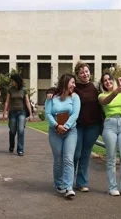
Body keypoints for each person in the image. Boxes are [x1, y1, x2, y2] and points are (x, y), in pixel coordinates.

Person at [47, 62, 103, 192]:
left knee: (85, 154)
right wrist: (50, 91)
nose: (85, 74)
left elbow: (106, 93)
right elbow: (59, 89)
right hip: (77, 127)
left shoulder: (96, 86)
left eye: (87, 71)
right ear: (78, 75)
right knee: (75, 154)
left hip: (93, 126)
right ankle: (68, 181)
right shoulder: (74, 87)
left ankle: (81, 182)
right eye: (82, 72)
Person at [45, 73, 81, 199]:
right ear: (65, 83)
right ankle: (59, 184)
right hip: (55, 131)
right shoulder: (51, 98)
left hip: (70, 131)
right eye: (72, 82)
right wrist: (56, 126)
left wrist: (66, 126)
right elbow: (48, 114)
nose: (74, 85)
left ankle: (68, 187)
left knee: (68, 158)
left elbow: (75, 114)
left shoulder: (75, 97)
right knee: (58, 158)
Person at [98, 72, 121, 196]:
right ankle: (112, 186)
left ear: (114, 80)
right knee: (111, 158)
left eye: (110, 79)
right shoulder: (101, 95)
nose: (108, 82)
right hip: (109, 125)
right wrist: (115, 92)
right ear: (103, 84)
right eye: (105, 81)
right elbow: (106, 101)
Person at [2, 73, 33, 156]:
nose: (11, 82)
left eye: (13, 81)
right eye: (11, 81)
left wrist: (30, 114)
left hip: (21, 112)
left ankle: (20, 149)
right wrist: (4, 113)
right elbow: (7, 102)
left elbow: (27, 102)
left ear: (17, 81)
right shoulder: (10, 89)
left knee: (21, 130)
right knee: (12, 131)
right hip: (12, 112)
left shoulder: (24, 89)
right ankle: (11, 146)